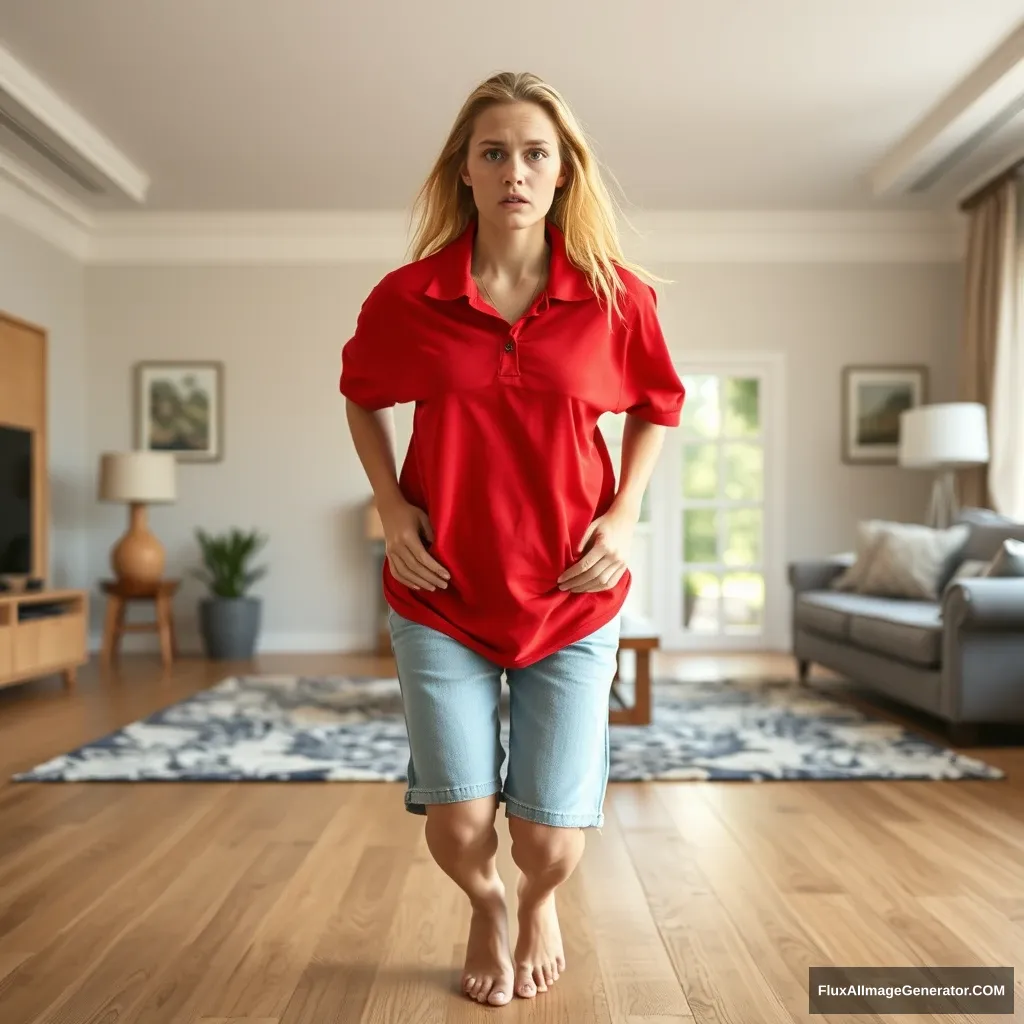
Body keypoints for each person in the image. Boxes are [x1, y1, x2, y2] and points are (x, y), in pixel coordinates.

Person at [339, 71, 685, 1007]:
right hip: (439, 588)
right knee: (459, 827)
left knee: (552, 841)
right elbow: (362, 401)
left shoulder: (619, 299)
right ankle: (486, 901)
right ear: (464, 171)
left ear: (565, 172)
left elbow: (658, 407)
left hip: (572, 593)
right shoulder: (407, 299)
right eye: (493, 152)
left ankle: (536, 899)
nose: (515, 171)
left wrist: (625, 514)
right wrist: (392, 506)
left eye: (537, 153)